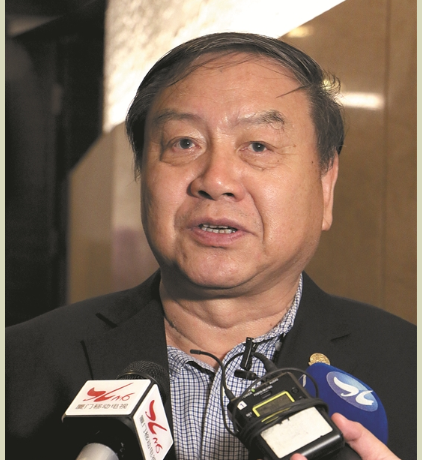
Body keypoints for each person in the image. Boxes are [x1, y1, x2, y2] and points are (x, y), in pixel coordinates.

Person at [6, 33, 416, 460]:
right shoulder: (17, 365)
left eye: (258, 146)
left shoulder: (410, 365)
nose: (215, 180)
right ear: (142, 175)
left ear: (326, 186)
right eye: (184, 143)